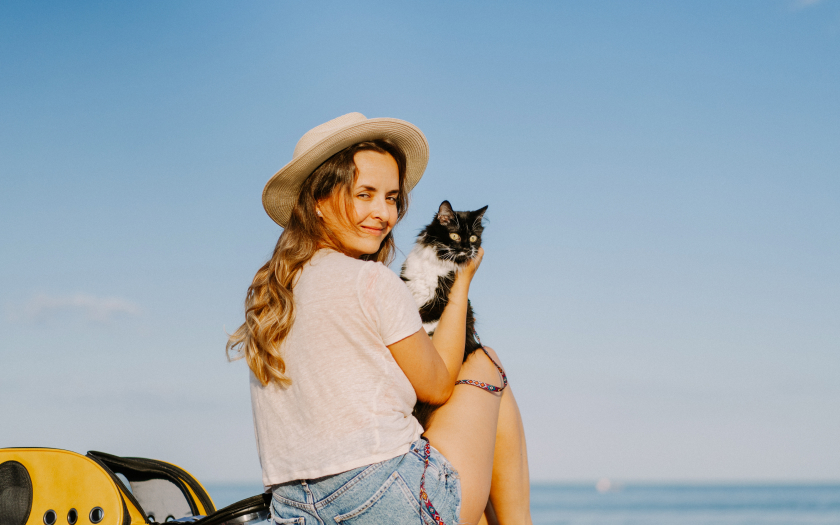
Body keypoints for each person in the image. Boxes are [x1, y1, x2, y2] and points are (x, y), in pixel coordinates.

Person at [227, 113, 532, 525]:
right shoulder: (371, 280)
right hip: (384, 501)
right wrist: (461, 284)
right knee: (485, 362)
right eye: (365, 194)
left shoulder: (273, 295)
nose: (383, 214)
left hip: (295, 510)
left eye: (391, 198)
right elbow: (440, 385)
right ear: (318, 199)